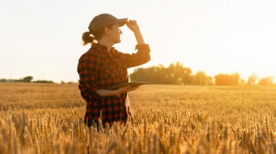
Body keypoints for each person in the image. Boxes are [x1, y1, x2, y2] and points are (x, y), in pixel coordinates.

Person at [77, 13, 151, 129]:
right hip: (100, 124)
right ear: (107, 30)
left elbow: (143, 57)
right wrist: (117, 91)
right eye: (118, 28)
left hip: (124, 121)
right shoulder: (89, 58)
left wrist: (137, 32)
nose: (121, 32)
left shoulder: (116, 56)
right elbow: (89, 92)